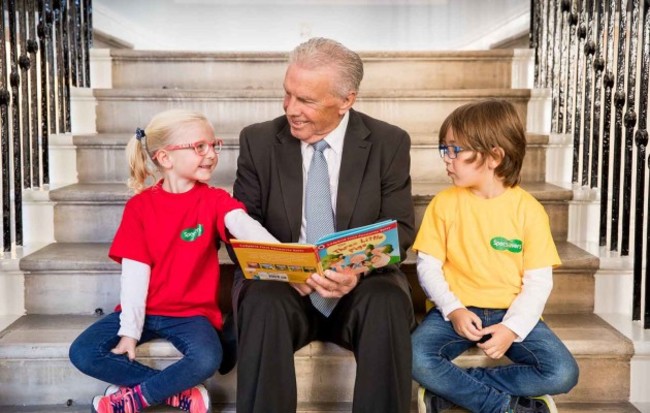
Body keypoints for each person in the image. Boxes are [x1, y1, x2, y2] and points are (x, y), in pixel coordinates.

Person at [230, 37, 416, 413]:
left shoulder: (388, 142)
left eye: (306, 101)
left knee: (388, 300)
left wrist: (355, 271)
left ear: (346, 100)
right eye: (288, 94)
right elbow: (240, 223)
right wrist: (284, 268)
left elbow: (400, 228)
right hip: (283, 287)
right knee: (262, 301)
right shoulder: (259, 140)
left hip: (358, 286)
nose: (290, 109)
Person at [68, 109, 277, 413]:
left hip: (192, 316)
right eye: (199, 147)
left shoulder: (214, 200)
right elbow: (135, 275)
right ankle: (174, 393)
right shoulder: (140, 208)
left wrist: (280, 252)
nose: (211, 154)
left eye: (213, 145)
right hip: (144, 310)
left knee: (208, 359)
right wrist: (130, 331)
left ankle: (134, 397)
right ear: (165, 158)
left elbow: (243, 225)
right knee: (83, 352)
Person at [411, 99, 579, 413]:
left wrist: (512, 328)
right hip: (456, 311)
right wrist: (453, 309)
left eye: (455, 150)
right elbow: (428, 266)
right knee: (413, 357)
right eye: (443, 149)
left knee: (563, 373)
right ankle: (501, 406)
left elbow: (538, 283)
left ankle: (455, 389)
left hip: (511, 312)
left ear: (494, 156)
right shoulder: (444, 204)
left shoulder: (529, 211)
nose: (447, 159)